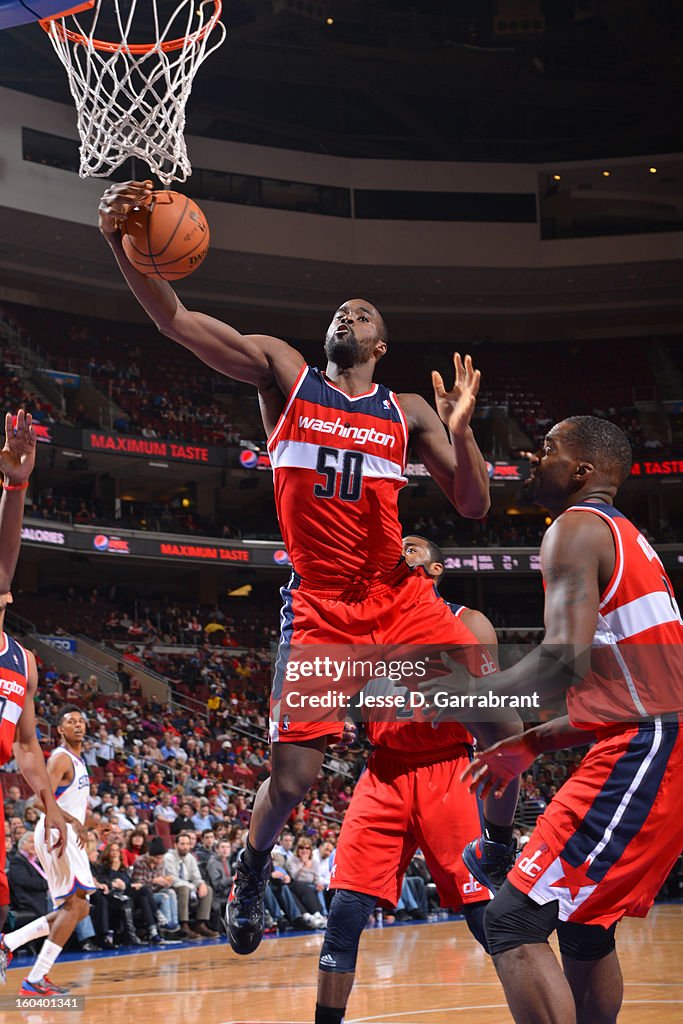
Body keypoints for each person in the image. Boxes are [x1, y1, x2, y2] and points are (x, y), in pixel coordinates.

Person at [99, 181, 491, 956]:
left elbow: (474, 505)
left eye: (364, 315)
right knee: (292, 781)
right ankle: (250, 868)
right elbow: (176, 320)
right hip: (321, 608)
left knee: (493, 705)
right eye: (340, 312)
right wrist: (120, 243)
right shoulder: (284, 372)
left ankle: (503, 848)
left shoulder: (405, 409)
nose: (348, 315)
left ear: (380, 345)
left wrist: (461, 432)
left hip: (395, 593)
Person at [436, 417, 683, 1024]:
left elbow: (560, 660)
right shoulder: (627, 538)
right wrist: (539, 739)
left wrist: (474, 691)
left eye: (547, 449)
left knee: (512, 918)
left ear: (582, 472)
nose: (531, 455)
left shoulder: (574, 528)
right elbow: (644, 687)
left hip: (645, 750)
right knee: (583, 927)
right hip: (660, 744)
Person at [315, 535, 519, 1024]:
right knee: (344, 913)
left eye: (413, 546)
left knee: (480, 914)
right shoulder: (367, 619)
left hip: (449, 767)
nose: (401, 548)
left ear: (436, 569)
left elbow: (492, 709)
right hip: (383, 770)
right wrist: (339, 713)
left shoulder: (468, 623)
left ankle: (544, 1008)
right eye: (397, 545)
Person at [0, 409, 68, 981]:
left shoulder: (22, 660)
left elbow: (26, 746)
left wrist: (50, 809)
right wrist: (13, 487)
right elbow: (5, 552)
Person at [1, 706, 91, 996]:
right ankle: (35, 979)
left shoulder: (78, 759)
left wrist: (89, 824)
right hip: (56, 831)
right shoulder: (61, 758)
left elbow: (70, 802)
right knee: (75, 905)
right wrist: (72, 821)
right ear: (60, 730)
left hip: (64, 831)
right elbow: (39, 801)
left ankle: (9, 942)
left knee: (80, 907)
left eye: (81, 721)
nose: (78, 725)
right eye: (70, 722)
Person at [163, 832, 219, 940]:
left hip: (188, 885)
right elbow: (173, 879)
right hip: (172, 887)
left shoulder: (190, 857)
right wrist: (192, 887)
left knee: (207, 889)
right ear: (175, 845)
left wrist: (201, 883)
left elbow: (196, 876)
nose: (185, 847)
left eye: (187, 844)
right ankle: (184, 924)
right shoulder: (169, 857)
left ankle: (201, 923)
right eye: (182, 844)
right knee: (184, 889)